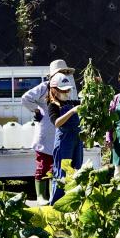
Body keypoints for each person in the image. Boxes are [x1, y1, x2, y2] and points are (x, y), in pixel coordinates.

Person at [48, 73, 84, 204]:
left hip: (77, 140)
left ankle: (74, 202)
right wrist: (73, 111)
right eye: (63, 90)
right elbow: (56, 122)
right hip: (64, 142)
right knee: (61, 173)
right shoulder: (53, 105)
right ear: (54, 90)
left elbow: (86, 102)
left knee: (77, 170)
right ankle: (57, 203)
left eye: (68, 89)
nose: (66, 92)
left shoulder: (71, 102)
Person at [21, 77, 56, 205]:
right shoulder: (44, 87)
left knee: (56, 167)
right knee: (43, 165)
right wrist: (36, 110)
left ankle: (53, 194)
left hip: (57, 131)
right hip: (45, 132)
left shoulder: (65, 86)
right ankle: (41, 196)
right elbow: (26, 98)